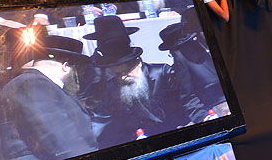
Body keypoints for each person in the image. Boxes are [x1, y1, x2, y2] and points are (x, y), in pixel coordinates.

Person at [81, 16, 207, 148]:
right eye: (117, 74)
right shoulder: (110, 88)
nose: (122, 78)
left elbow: (188, 101)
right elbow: (101, 126)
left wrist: (203, 118)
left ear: (138, 63)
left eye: (126, 72)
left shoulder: (163, 73)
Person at [0, 30, 98, 160]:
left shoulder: (31, 83)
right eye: (76, 68)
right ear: (65, 66)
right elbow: (61, 140)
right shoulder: (33, 84)